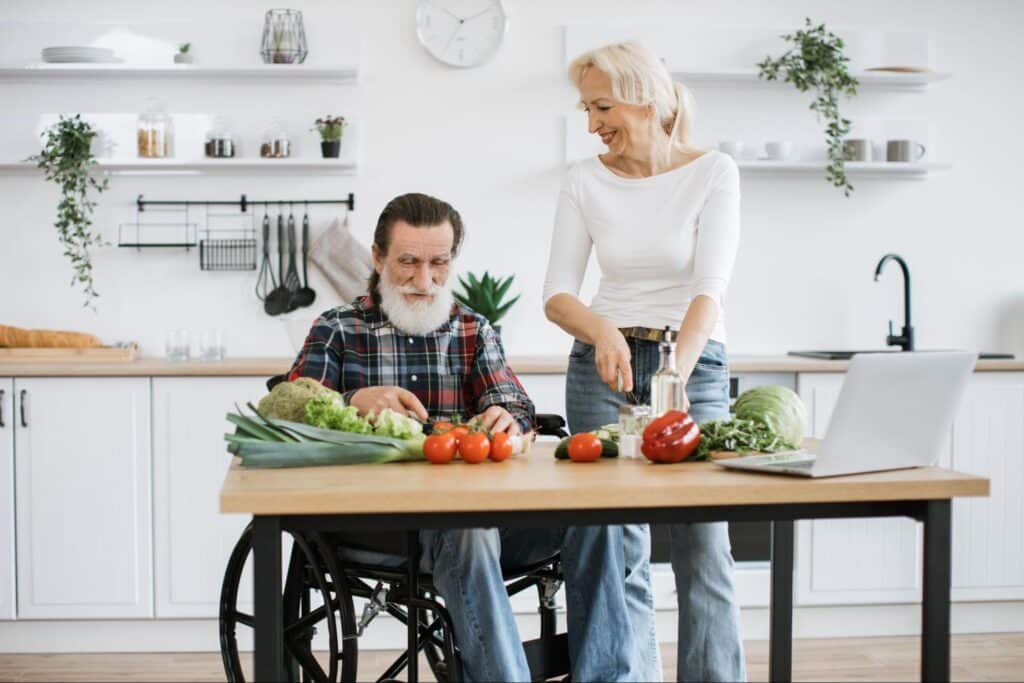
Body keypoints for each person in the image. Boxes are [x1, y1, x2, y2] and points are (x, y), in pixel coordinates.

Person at [287, 192, 637, 683]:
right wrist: (352, 402)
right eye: (407, 262)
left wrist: (504, 416)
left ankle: (605, 679)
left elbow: (516, 404)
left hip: (485, 522)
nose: (424, 281)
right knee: (468, 532)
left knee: (595, 520)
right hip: (378, 529)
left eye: (438, 263)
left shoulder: (473, 329)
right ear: (379, 257)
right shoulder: (338, 330)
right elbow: (290, 414)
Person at [542, 43, 746, 682]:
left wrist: (675, 376)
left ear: (646, 101)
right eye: (586, 108)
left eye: (602, 105)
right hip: (603, 366)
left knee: (704, 544)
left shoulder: (713, 171)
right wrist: (601, 327)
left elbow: (709, 290)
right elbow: (557, 294)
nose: (593, 121)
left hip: (693, 363)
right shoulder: (583, 178)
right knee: (612, 543)